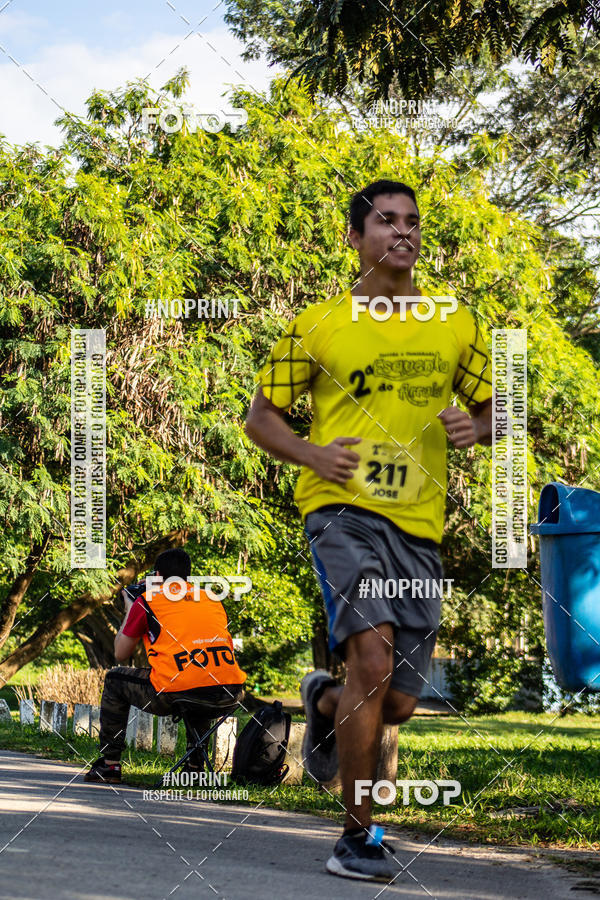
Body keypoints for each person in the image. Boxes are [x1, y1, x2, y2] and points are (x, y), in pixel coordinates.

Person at [245, 180, 493, 881]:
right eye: (386, 220)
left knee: (401, 702)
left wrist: (476, 427)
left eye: (411, 221)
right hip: (341, 510)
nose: (402, 231)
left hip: (421, 525)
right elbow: (261, 418)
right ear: (355, 237)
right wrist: (312, 454)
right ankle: (358, 838)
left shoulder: (454, 322)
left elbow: (500, 408)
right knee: (374, 664)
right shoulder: (319, 324)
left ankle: (324, 700)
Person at [84, 548, 246, 784]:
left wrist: (131, 607)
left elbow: (120, 653)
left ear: (157, 576)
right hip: (230, 692)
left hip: (175, 693)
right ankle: (194, 768)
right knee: (200, 680)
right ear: (187, 576)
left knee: (114, 679)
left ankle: (110, 765)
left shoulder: (147, 601)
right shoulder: (211, 598)